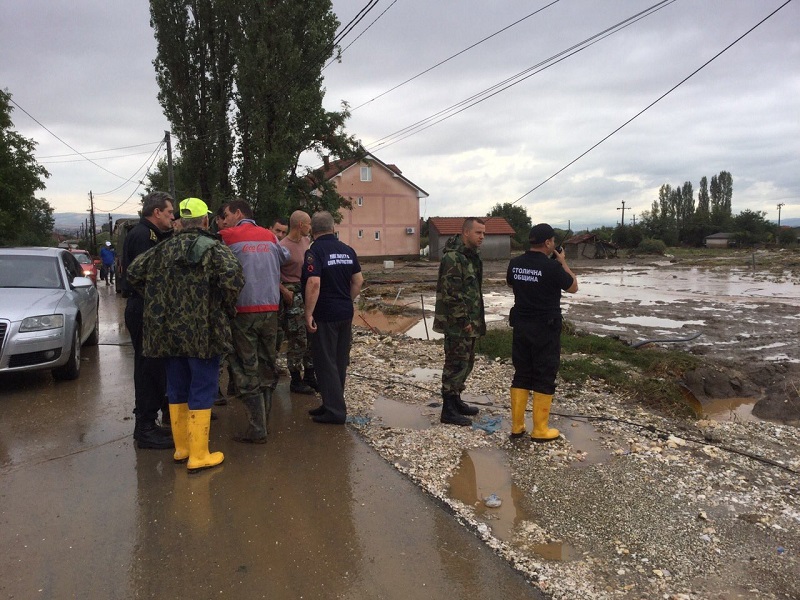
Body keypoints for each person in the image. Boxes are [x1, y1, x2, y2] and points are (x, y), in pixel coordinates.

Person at [126, 198, 244, 472]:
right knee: (202, 387)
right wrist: (223, 305)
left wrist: (158, 296)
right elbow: (234, 278)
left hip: (167, 333)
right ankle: (199, 455)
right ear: (205, 221)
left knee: (176, 387)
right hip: (202, 332)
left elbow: (133, 273)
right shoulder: (213, 249)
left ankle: (182, 449)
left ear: (180, 220)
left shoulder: (161, 248)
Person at [220, 199, 289, 443]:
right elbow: (285, 256)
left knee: (246, 368)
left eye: (227, 214)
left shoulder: (227, 236)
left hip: (244, 311)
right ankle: (264, 423)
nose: (225, 219)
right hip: (270, 310)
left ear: (238, 213)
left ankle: (256, 428)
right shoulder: (270, 237)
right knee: (268, 365)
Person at [506, 223, 578, 442]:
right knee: (544, 374)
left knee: (522, 373)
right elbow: (573, 287)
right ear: (548, 243)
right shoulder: (553, 267)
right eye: (553, 242)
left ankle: (517, 427)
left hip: (521, 327)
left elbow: (511, 284)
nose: (554, 245)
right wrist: (562, 262)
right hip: (545, 329)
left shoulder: (515, 263)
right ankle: (540, 430)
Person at [121, 191, 175, 449]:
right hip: (144, 309)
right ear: (156, 213)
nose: (172, 217)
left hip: (147, 308)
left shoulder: (151, 235)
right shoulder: (144, 236)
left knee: (153, 366)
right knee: (146, 368)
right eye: (169, 213)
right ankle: (144, 427)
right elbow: (146, 277)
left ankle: (149, 424)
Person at [302, 211, 363, 424]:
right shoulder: (347, 250)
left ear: (312, 230)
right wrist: (347, 299)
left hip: (325, 314)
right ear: (333, 228)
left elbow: (314, 283)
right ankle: (330, 403)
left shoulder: (314, 251)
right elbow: (358, 281)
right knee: (338, 361)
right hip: (345, 312)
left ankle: (335, 412)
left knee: (325, 362)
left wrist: (308, 312)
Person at [433, 217, 486, 426]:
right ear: (466, 233)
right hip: (458, 324)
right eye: (478, 233)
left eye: (484, 233)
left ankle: (456, 401)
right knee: (455, 364)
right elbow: (451, 294)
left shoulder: (471, 256)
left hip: (470, 321)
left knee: (466, 363)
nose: (482, 237)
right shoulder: (454, 258)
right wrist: (464, 321)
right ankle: (448, 410)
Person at [279, 210, 317, 394]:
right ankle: (295, 379)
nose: (310, 228)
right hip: (292, 296)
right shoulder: (283, 247)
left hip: (306, 291)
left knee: (311, 335)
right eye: (308, 224)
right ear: (300, 225)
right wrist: (284, 291)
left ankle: (310, 374)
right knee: (297, 338)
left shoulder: (306, 242)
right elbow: (272, 273)